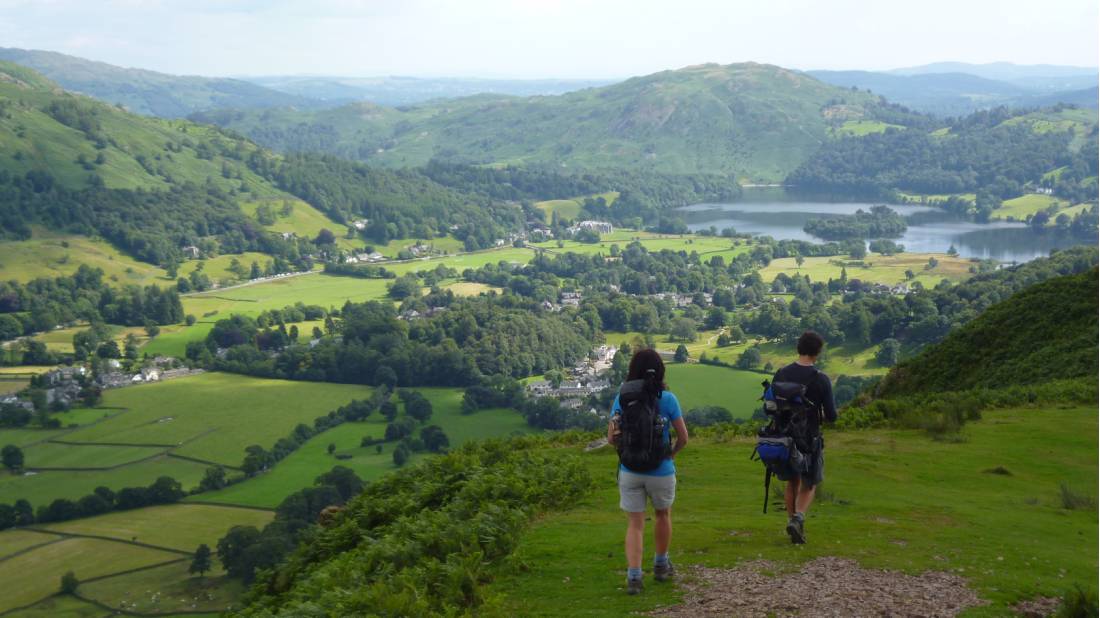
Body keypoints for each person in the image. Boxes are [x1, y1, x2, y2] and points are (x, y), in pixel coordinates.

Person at [607, 349, 689, 595]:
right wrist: (671, 454)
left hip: (630, 470)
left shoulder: (621, 397)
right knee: (663, 515)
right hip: (661, 469)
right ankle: (661, 565)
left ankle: (634, 577)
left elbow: (611, 438)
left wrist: (625, 452)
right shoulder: (668, 399)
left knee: (635, 523)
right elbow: (684, 438)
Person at [771, 330, 837, 544]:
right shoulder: (821, 379)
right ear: (818, 352)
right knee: (809, 483)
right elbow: (832, 415)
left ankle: (793, 524)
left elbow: (772, 406)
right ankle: (798, 518)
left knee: (792, 482)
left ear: (798, 348)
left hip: (784, 437)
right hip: (809, 438)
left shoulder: (781, 374)